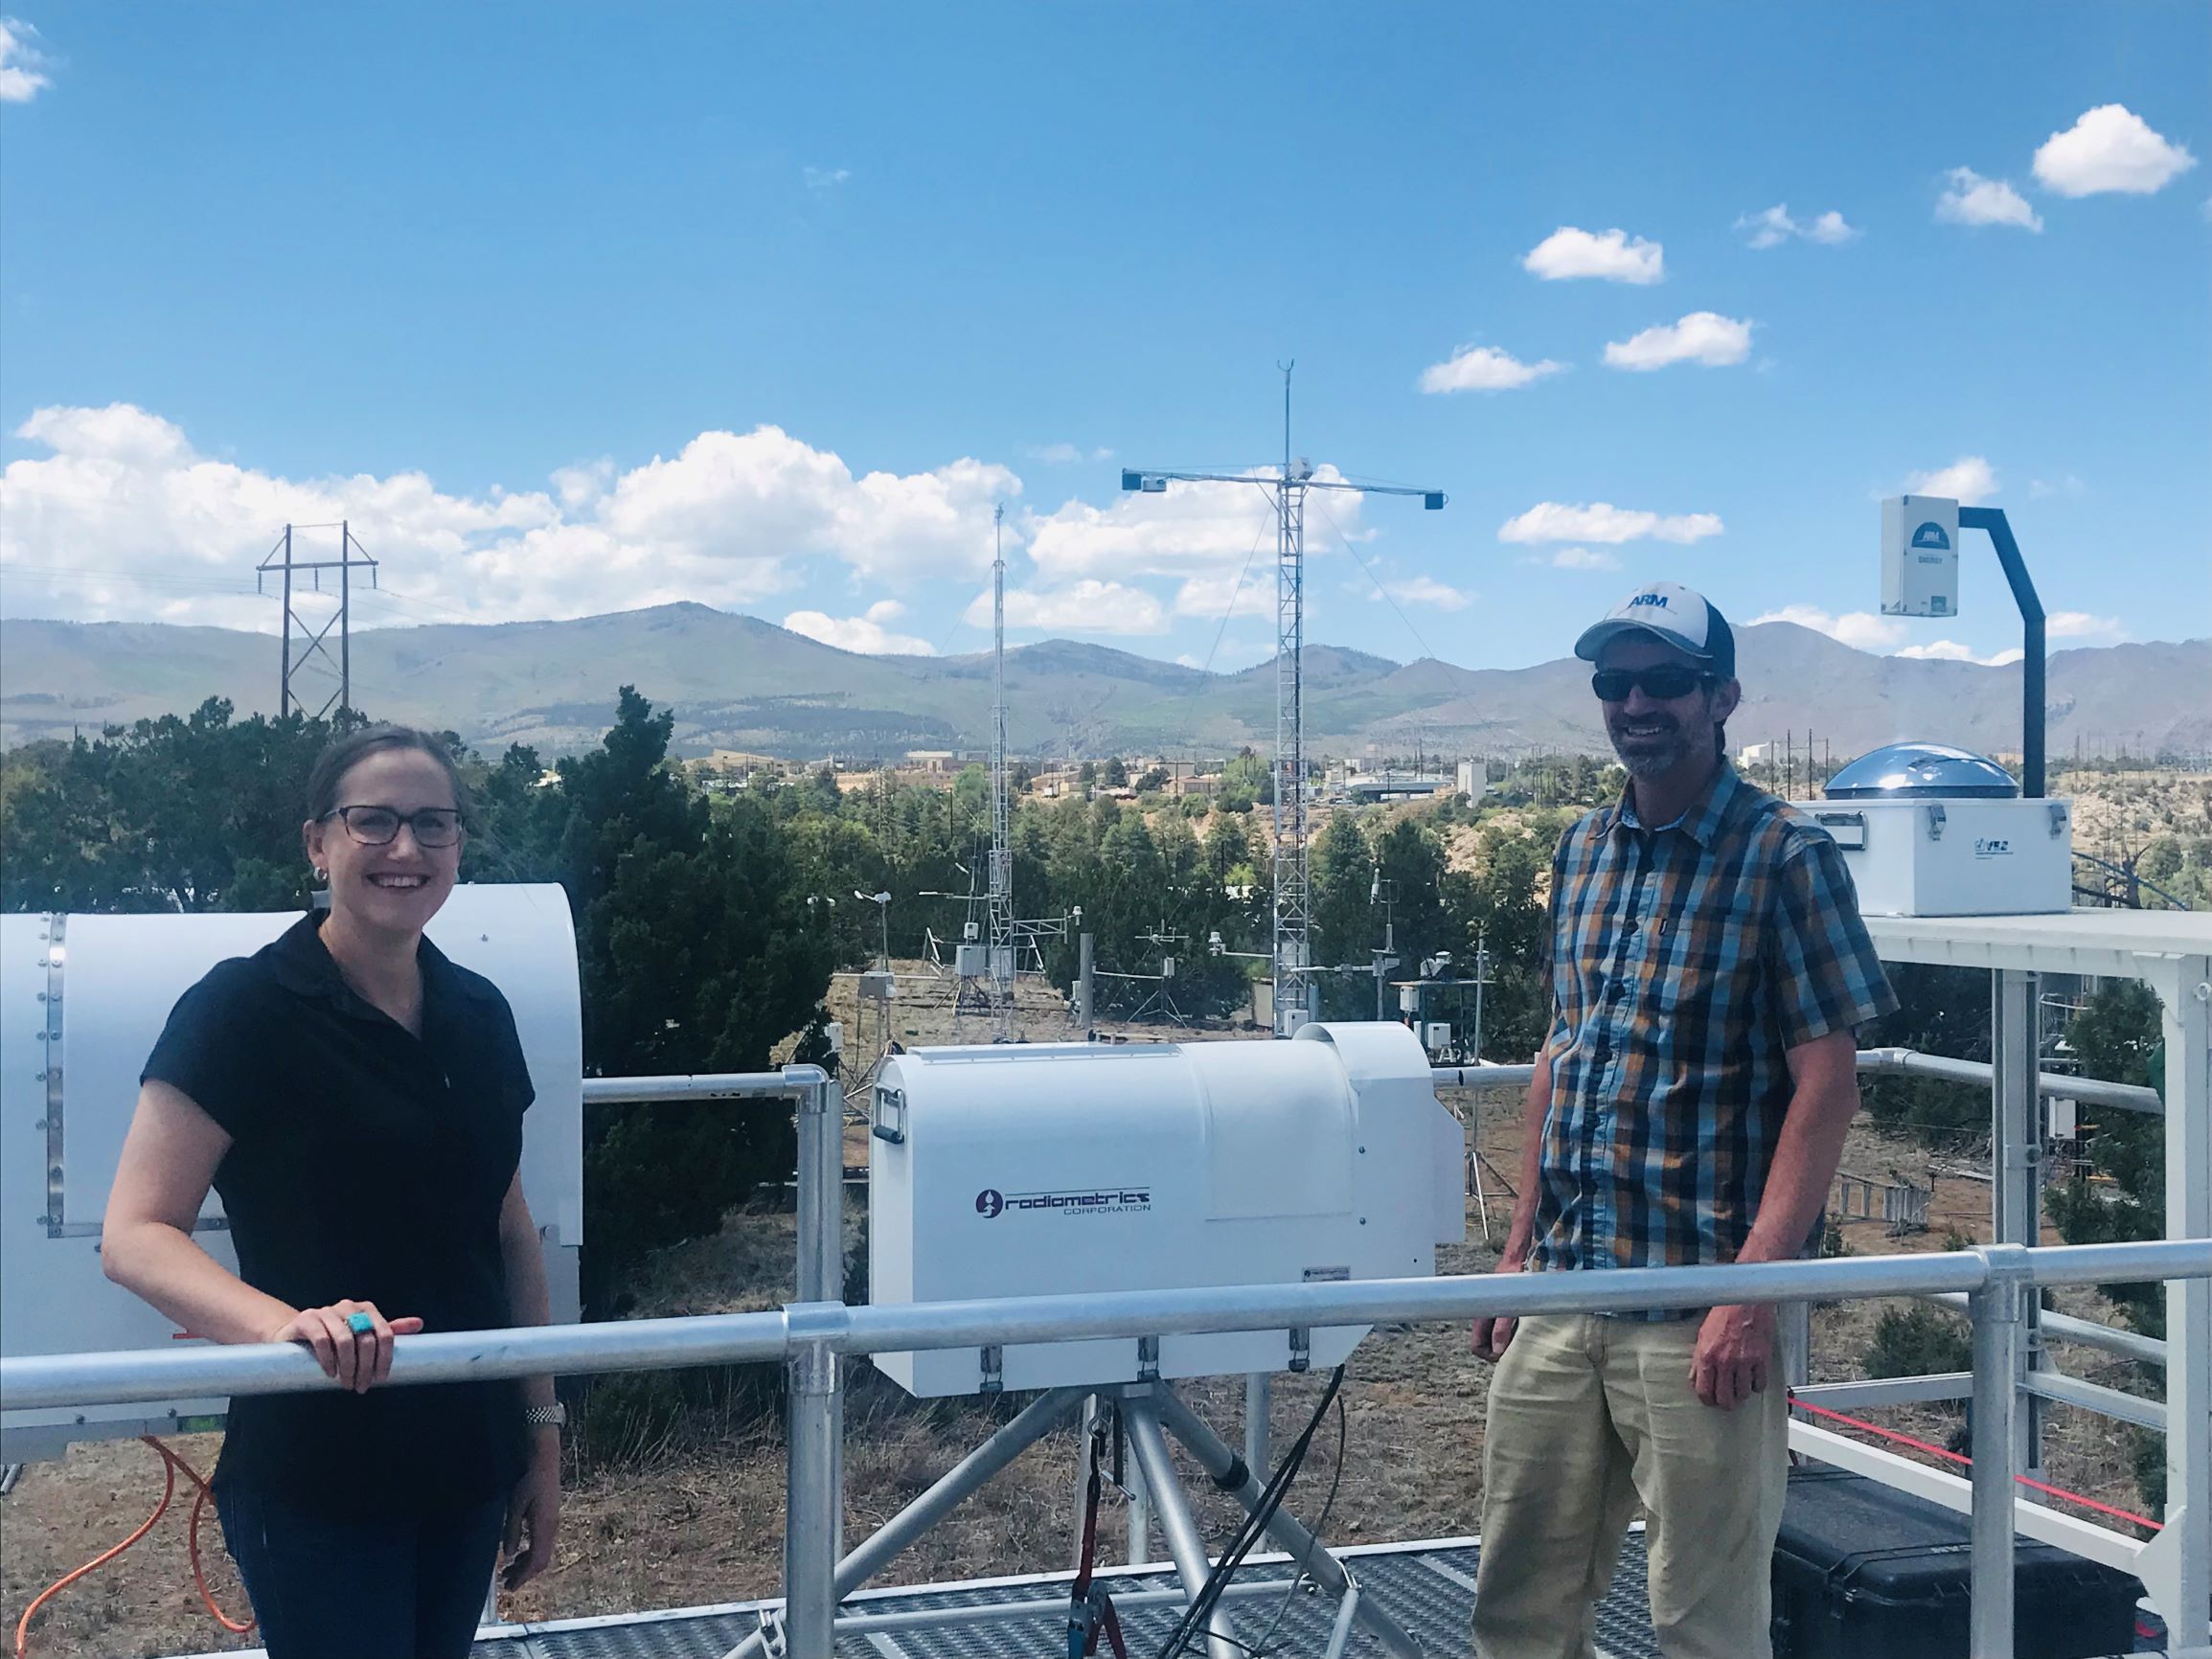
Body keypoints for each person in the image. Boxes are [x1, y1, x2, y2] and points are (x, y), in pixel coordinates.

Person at [1469, 583, 1896, 1659]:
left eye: (1664, 680)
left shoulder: (1783, 857)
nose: (1635, 702)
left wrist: (1750, 1293)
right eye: (1615, 682)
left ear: (1721, 697)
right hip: (1565, 1291)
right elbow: (1561, 1058)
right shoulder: (1581, 852)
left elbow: (1826, 1083)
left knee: (1703, 1622)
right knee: (1517, 1608)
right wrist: (1514, 1258)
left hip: (1699, 1315)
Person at [102, 725, 561, 1659]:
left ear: (459, 844)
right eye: (373, 821)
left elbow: (508, 1234)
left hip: (466, 1461)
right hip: (317, 1475)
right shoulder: (243, 1010)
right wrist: (284, 1325)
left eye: (433, 823)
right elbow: (136, 1232)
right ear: (318, 842)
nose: (406, 848)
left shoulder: (479, 1013)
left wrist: (539, 1436)